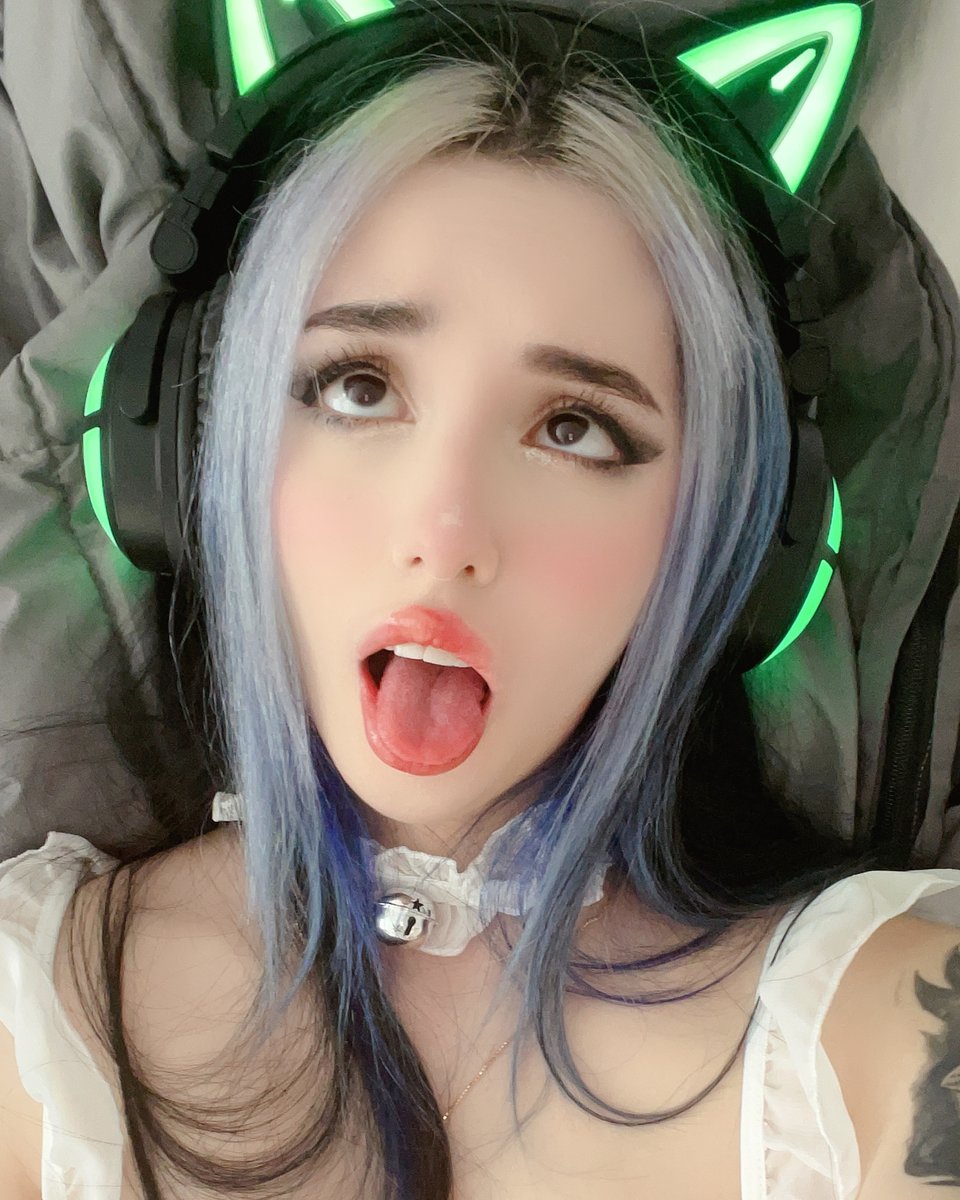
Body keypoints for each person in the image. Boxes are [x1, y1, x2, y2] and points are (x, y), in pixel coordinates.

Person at [1, 37, 960, 1200]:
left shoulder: (888, 1040)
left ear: (733, 548)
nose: (447, 531)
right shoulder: (29, 1029)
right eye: (358, 387)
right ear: (200, 459)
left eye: (575, 428)